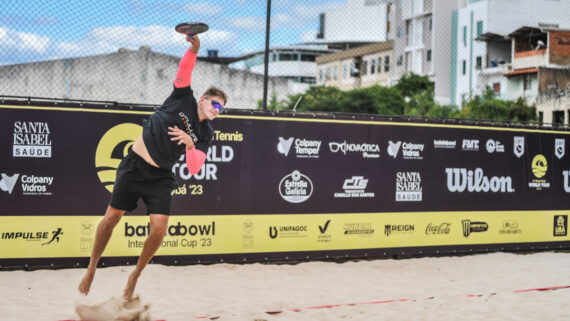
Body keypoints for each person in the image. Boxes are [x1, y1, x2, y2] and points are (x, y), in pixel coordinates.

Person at [78, 34, 227, 300]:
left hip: (160, 175)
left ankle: (135, 275)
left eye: (222, 109)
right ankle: (91, 268)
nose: (218, 110)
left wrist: (191, 144)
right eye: (215, 104)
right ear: (204, 99)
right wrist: (194, 49)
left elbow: (195, 168)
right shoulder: (183, 97)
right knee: (111, 218)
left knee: (159, 229)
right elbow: (185, 69)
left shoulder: (206, 133)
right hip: (134, 166)